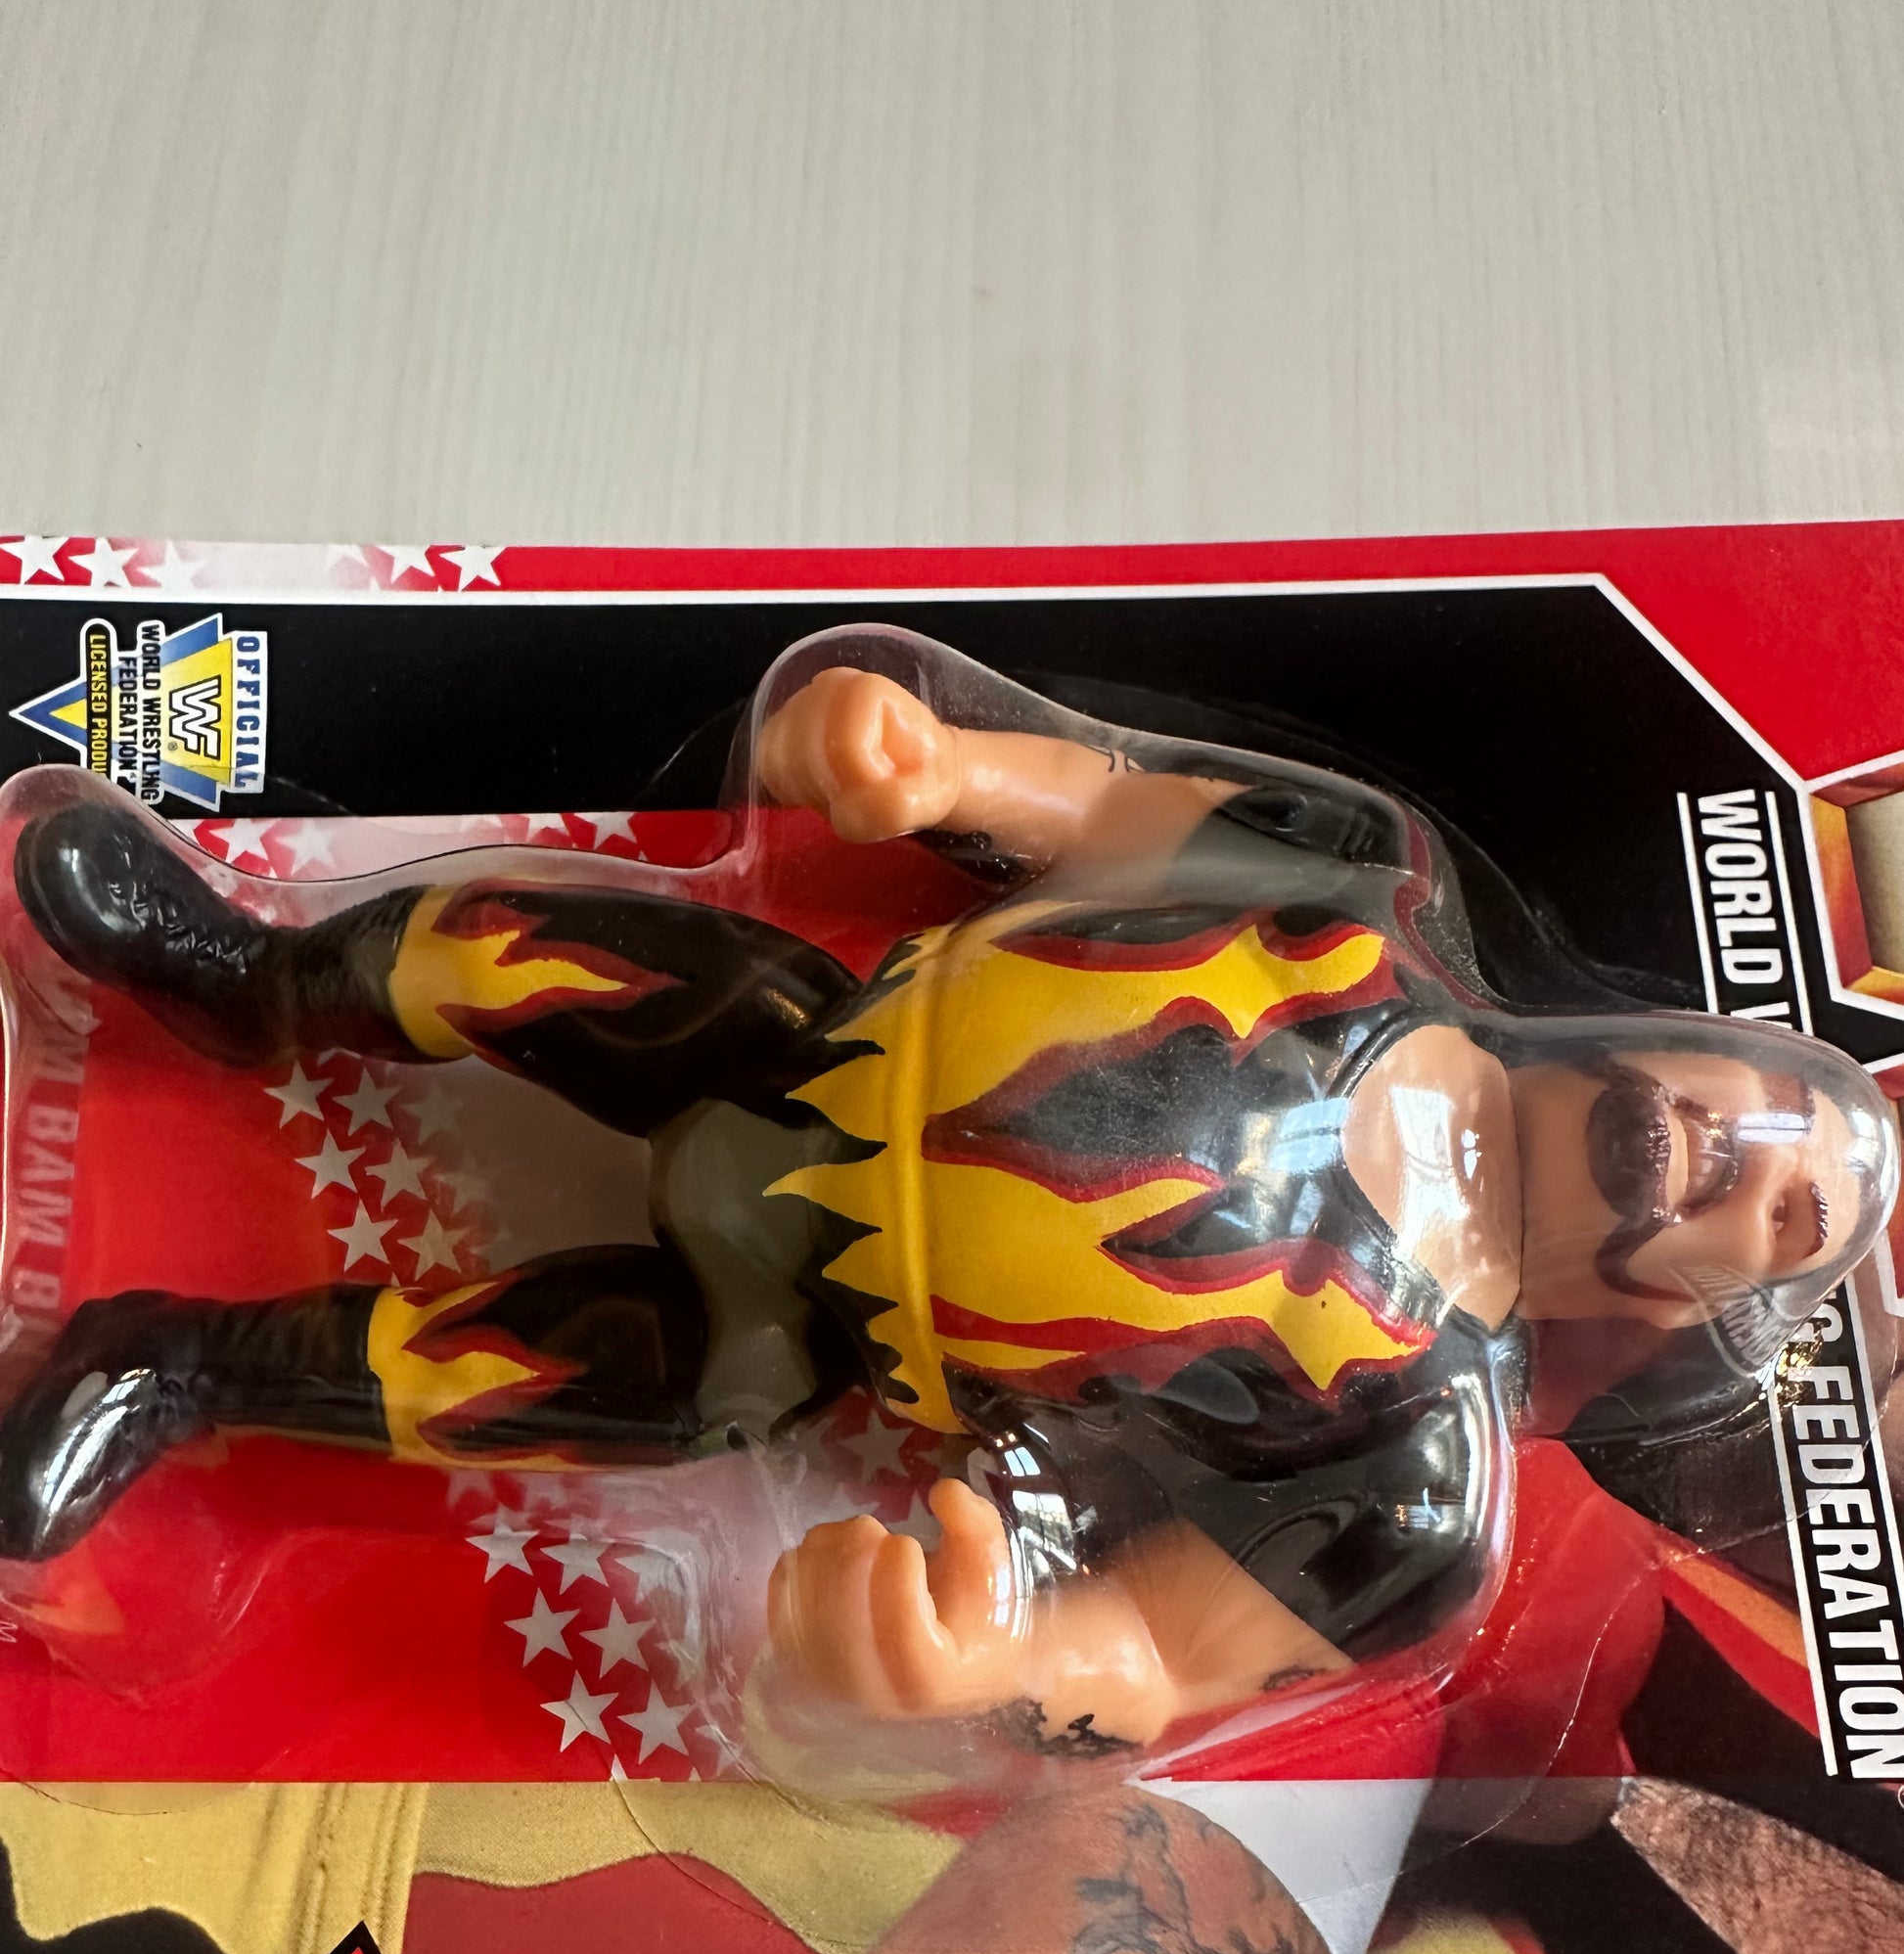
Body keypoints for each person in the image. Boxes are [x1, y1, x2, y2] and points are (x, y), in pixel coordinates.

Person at [0, 638, 1890, 1758]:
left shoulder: (1416, 1474)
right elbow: (1110, 807)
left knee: (513, 1379)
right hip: (806, 1041)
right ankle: (236, 973)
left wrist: (975, 1656)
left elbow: (1151, 1653)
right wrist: (932, 763)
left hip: (806, 1332)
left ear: (1709, 1302)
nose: (1744, 1156)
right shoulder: (1354, 894)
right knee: (526, 953)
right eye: (1777, 1116)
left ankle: (180, 1367)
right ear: (1708, 1046)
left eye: (1792, 1216)